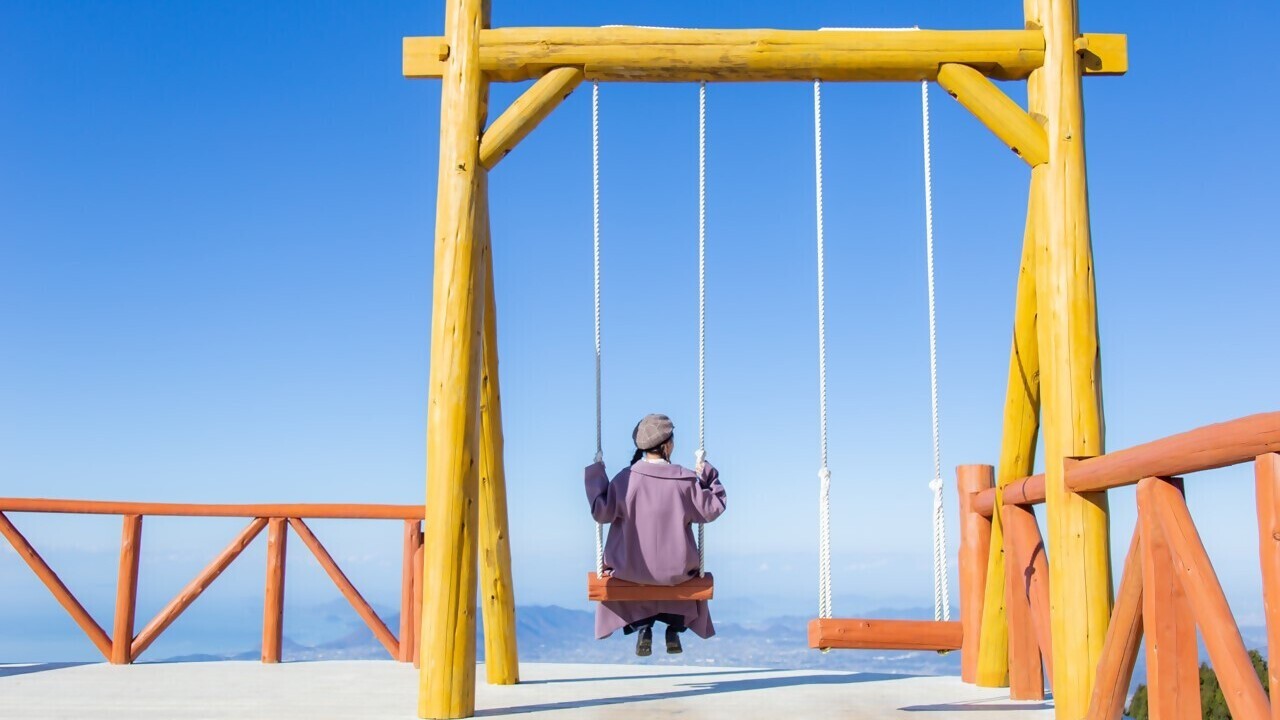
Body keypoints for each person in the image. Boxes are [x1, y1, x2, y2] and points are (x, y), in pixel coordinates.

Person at [584, 413, 727, 656]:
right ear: (667, 445)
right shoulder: (686, 481)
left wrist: (597, 474)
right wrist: (707, 473)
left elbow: (601, 512)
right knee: (680, 577)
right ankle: (674, 627)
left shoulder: (624, 480)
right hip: (676, 573)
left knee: (633, 576)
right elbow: (713, 508)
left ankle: (643, 627)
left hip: (630, 570)